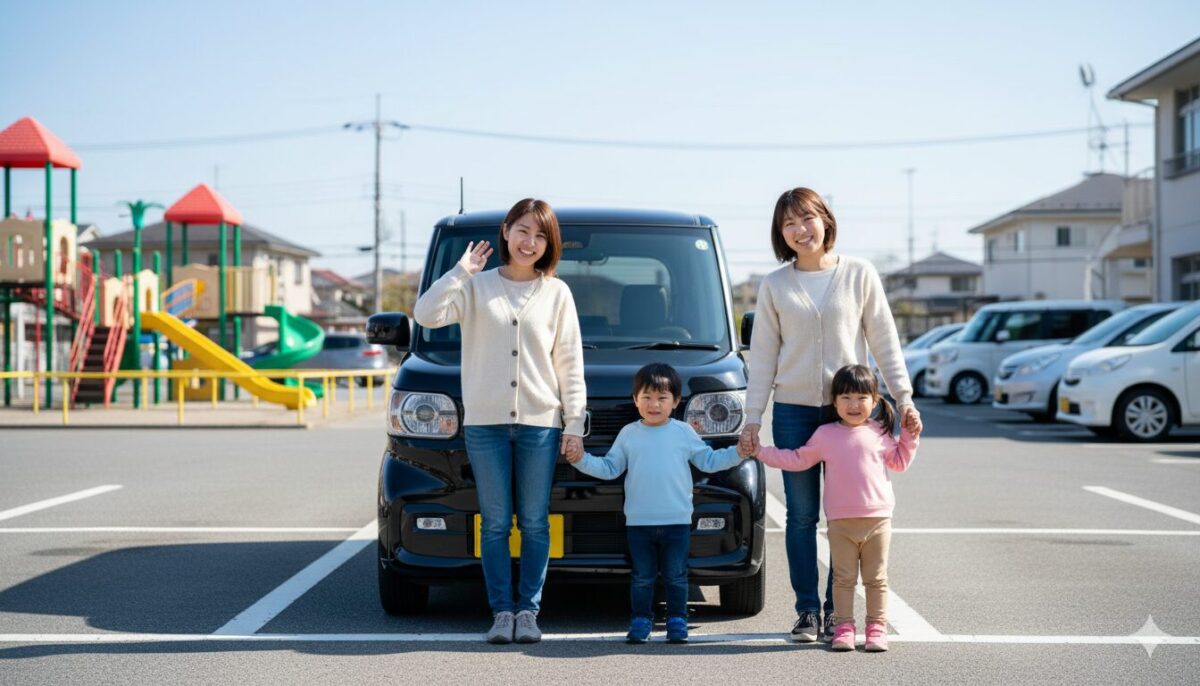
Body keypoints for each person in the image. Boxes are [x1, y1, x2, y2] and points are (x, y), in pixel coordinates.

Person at [739, 187, 922, 643]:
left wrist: (903, 397)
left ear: (825, 220)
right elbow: (762, 356)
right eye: (789, 224)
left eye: (807, 219)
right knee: (801, 517)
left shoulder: (859, 273)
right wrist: (753, 417)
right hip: (796, 412)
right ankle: (807, 612)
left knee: (842, 515)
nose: (801, 230)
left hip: (853, 413)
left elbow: (884, 339)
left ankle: (835, 610)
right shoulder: (775, 284)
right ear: (780, 234)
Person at [413, 198, 586, 645]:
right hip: (485, 425)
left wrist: (573, 423)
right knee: (493, 522)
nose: (531, 242)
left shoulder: (557, 293)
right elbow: (426, 315)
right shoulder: (475, 286)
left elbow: (569, 364)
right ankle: (501, 611)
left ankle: (528, 611)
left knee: (533, 522)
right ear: (506, 231)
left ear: (550, 244)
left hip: (540, 424)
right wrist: (459, 272)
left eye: (541, 235)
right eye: (524, 231)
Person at [564, 363, 751, 644]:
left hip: (677, 521)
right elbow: (610, 468)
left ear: (675, 402)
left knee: (676, 576)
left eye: (662, 398)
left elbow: (709, 461)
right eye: (647, 397)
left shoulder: (684, 432)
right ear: (635, 400)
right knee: (642, 577)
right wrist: (582, 461)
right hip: (639, 523)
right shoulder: (628, 433)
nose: (654, 404)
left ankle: (677, 620)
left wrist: (738, 453)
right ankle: (641, 620)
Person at [751, 364, 919, 652]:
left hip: (878, 520)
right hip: (840, 522)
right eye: (846, 398)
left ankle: (876, 628)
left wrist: (910, 435)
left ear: (875, 400)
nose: (854, 405)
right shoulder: (825, 434)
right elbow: (797, 459)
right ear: (835, 401)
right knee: (843, 579)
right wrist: (760, 452)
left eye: (861, 398)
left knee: (876, 578)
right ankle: (843, 627)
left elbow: (900, 462)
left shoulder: (880, 432)